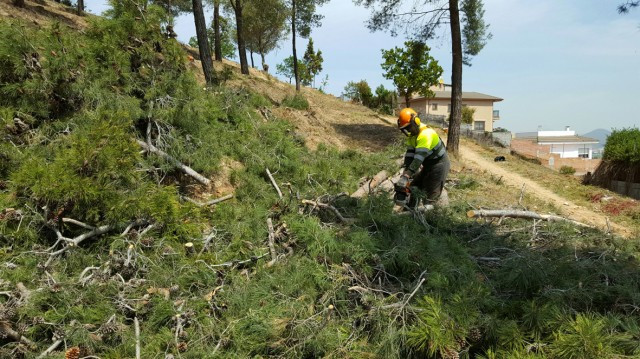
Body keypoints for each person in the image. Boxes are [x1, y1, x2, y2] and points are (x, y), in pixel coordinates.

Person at [394, 108, 450, 208]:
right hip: (428, 165)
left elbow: (418, 159)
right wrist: (405, 173)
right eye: (405, 129)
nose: (407, 131)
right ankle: (410, 211)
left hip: (439, 165)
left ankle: (429, 217)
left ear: (416, 121)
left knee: (430, 195)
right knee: (414, 186)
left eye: (408, 127)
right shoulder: (412, 135)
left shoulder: (425, 134)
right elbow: (410, 155)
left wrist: (406, 176)